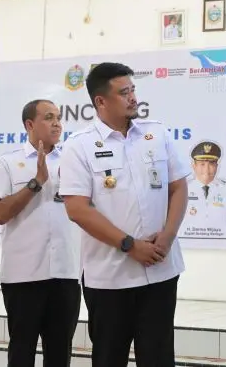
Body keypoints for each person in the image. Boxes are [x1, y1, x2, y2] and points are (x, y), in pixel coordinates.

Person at [58, 62, 191, 367]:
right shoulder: (79, 146)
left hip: (161, 270)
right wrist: (130, 245)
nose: (133, 98)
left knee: (159, 359)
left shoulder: (156, 133)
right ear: (100, 101)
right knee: (109, 358)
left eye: (133, 90)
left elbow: (178, 187)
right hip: (110, 279)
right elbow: (77, 209)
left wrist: (168, 237)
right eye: (123, 92)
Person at [0, 99, 81, 367]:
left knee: (60, 354)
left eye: (59, 118)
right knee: (21, 352)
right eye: (49, 117)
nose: (57, 124)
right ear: (29, 124)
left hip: (65, 273)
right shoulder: (7, 163)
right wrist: (36, 182)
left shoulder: (72, 161)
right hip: (23, 276)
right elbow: (0, 213)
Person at [180, 141, 226, 239]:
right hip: (189, 242)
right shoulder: (183, 189)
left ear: (217, 166)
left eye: (211, 164)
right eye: (202, 164)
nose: (206, 170)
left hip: (220, 242)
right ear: (194, 166)